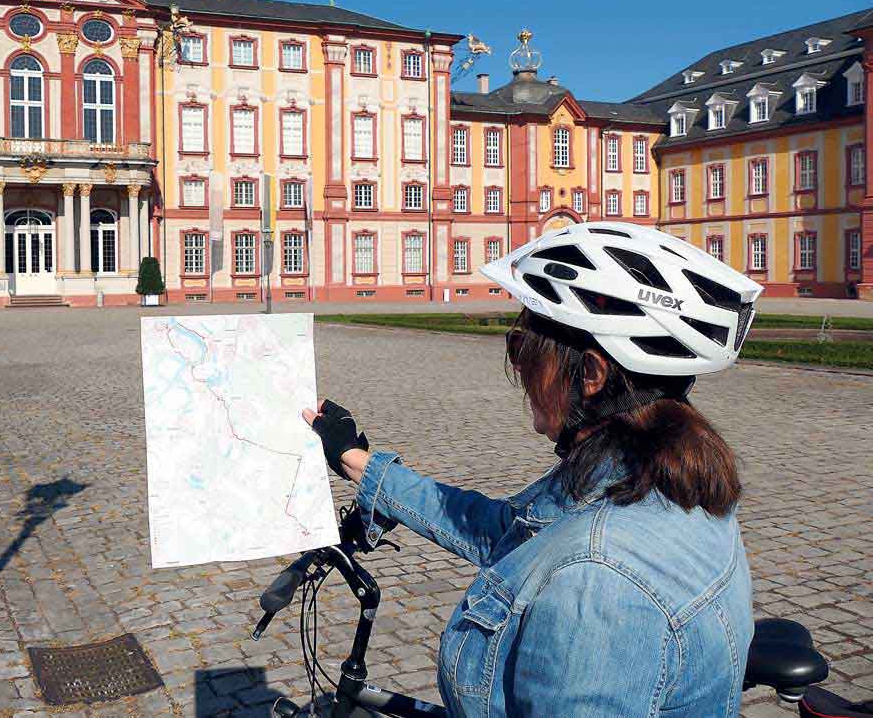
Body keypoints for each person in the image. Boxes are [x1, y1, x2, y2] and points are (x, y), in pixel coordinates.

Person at [305, 221, 763, 717]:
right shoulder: (653, 472)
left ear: (590, 374)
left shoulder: (599, 584)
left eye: (523, 348)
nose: (519, 368)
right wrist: (360, 463)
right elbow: (507, 531)